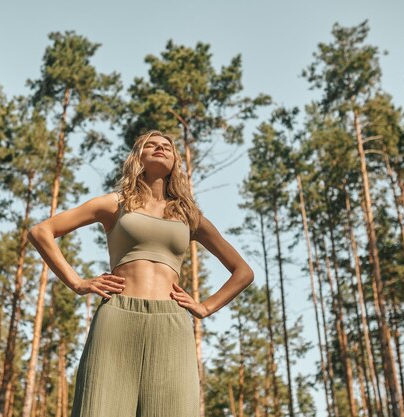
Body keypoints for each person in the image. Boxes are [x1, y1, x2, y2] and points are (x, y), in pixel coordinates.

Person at [28, 129, 255, 417]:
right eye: (152, 144)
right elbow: (41, 232)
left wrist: (205, 307)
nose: (160, 148)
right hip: (116, 318)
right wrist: (77, 282)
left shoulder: (189, 216)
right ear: (139, 156)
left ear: (175, 162)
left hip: (171, 324)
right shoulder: (114, 203)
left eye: (167, 147)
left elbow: (243, 272)